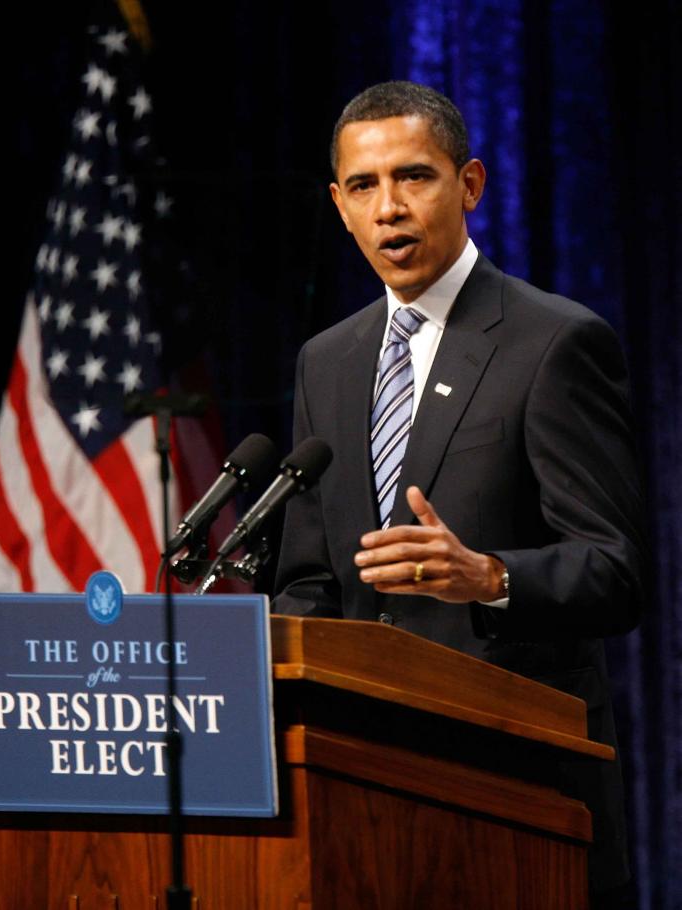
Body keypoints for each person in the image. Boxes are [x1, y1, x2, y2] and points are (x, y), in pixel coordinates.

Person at [273, 81, 647, 906]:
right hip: (358, 800)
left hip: (518, 799)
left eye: (415, 177)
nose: (390, 209)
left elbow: (617, 572)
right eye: (364, 187)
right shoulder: (326, 360)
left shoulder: (554, 341)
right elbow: (309, 581)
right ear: (339, 206)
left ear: (469, 184)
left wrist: (491, 577)